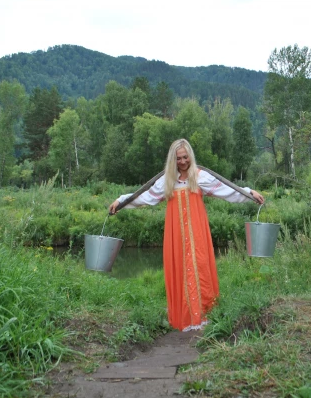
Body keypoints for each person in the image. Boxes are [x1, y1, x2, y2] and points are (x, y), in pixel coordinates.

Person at [109, 139, 264, 332]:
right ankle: (185, 318)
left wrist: (249, 193)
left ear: (190, 156)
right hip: (176, 237)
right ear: (172, 160)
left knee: (200, 267)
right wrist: (121, 201)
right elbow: (145, 197)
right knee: (179, 269)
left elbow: (227, 190)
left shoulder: (200, 177)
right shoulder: (167, 181)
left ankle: (205, 317)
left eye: (185, 157)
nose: (182, 162)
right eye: (178, 158)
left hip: (197, 233)